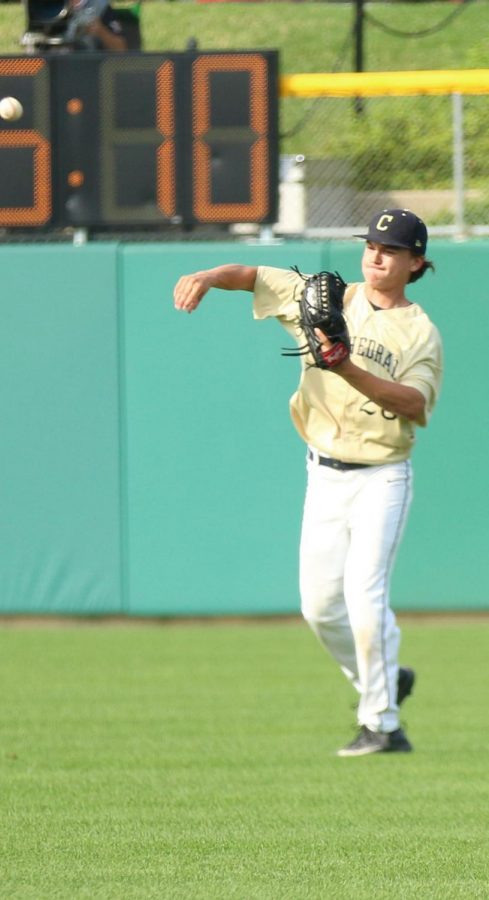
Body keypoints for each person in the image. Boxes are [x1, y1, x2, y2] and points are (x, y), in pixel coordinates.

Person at [173, 208, 443, 757]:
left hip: (382, 477)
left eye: (390, 249)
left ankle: (384, 724)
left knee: (365, 599)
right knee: (320, 608)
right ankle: (387, 679)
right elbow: (251, 275)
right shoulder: (328, 298)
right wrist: (206, 277)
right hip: (323, 471)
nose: (375, 255)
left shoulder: (420, 333)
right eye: (370, 245)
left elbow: (415, 405)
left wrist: (345, 368)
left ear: (415, 263)